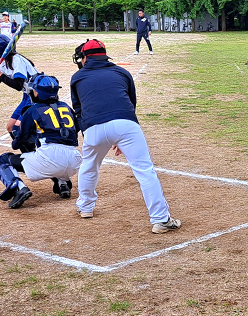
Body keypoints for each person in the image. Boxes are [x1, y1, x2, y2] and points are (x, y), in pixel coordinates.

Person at [70, 39, 181, 233]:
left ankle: (85, 207)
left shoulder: (78, 77)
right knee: (145, 171)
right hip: (125, 123)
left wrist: (91, 133)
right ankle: (161, 219)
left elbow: (79, 110)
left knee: (89, 166)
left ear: (86, 58)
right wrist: (123, 136)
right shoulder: (122, 72)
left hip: (93, 128)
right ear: (104, 54)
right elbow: (131, 103)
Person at [0, 74, 82, 209]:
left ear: (36, 92)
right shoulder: (66, 107)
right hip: (74, 159)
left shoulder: (33, 110)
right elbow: (75, 129)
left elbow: (20, 140)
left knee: (2, 160)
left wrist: (17, 139)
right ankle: (62, 183)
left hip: (50, 158)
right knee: (50, 154)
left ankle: (18, 188)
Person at [0, 34, 39, 133]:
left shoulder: (17, 60)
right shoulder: (4, 60)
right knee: (10, 128)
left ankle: (33, 147)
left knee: (19, 127)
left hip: (36, 96)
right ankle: (26, 147)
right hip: (27, 96)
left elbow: (18, 85)